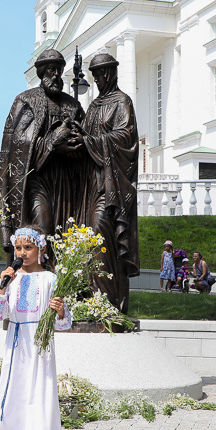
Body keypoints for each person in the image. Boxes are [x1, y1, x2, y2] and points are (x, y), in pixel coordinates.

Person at [0, 225, 72, 430]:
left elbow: (64, 323)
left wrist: (61, 311)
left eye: (28, 247)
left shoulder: (51, 279)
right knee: (15, 395)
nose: (22, 252)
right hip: (16, 342)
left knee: (39, 395)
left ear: (41, 248)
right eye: (18, 247)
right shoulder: (11, 278)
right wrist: (1, 287)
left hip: (41, 345)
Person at [68, 53, 141, 313]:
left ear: (110, 73)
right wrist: (78, 134)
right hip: (91, 182)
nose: (97, 79)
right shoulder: (95, 104)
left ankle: (108, 303)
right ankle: (93, 300)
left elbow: (125, 137)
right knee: (87, 239)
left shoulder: (122, 101)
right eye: (94, 74)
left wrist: (90, 140)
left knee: (100, 232)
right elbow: (88, 136)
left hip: (110, 184)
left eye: (100, 74)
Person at [0, 48, 85, 260]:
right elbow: (15, 144)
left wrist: (75, 142)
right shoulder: (26, 100)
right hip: (36, 179)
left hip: (65, 180)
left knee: (63, 235)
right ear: (41, 73)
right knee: (41, 230)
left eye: (59, 70)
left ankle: (60, 286)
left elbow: (84, 138)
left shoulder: (72, 105)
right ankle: (37, 280)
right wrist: (51, 142)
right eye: (51, 70)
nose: (56, 75)